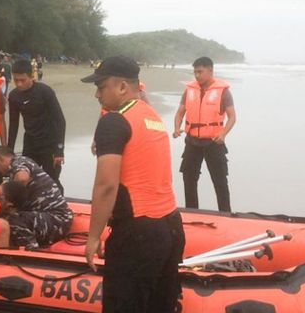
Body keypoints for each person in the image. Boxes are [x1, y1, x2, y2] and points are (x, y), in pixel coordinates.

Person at [81, 56, 185, 312]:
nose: (97, 94)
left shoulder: (114, 121)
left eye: (101, 86)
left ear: (122, 87)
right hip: (170, 227)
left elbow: (106, 185)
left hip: (138, 234)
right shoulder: (153, 117)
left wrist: (93, 237)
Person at [173, 56, 236, 212]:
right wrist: (176, 128)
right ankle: (192, 211)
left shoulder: (223, 92)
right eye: (195, 72)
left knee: (220, 180)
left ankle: (225, 213)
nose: (197, 75)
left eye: (200, 72)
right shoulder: (189, 90)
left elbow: (232, 116)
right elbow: (180, 112)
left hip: (214, 142)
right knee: (188, 178)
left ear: (210, 70)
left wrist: (223, 134)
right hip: (192, 141)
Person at [0, 146, 73, 250]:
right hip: (46, 216)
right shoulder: (20, 164)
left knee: (11, 220)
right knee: (9, 216)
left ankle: (31, 251)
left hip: (57, 219)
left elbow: (22, 178)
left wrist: (10, 196)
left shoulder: (18, 162)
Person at [8, 59, 66, 192]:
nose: (19, 84)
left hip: (49, 144)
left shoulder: (45, 92)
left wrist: (59, 150)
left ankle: (60, 209)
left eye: (22, 80)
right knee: (25, 179)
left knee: (52, 181)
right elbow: (13, 123)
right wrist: (10, 150)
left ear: (31, 76)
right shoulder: (14, 96)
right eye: (15, 80)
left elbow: (60, 120)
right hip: (30, 143)